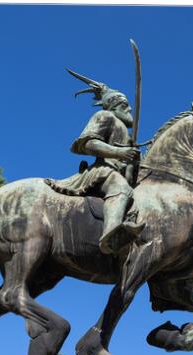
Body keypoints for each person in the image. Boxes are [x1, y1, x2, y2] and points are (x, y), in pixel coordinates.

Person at [45, 69, 145, 255]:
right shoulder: (105, 117)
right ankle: (110, 235)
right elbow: (88, 144)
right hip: (104, 170)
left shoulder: (127, 134)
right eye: (125, 105)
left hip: (121, 174)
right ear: (114, 105)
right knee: (120, 188)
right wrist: (120, 152)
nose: (130, 109)